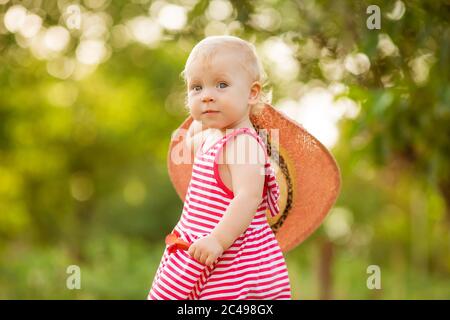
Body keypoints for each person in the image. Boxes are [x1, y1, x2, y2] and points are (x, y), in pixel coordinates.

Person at [148, 35, 292, 300]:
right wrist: (200, 119)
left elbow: (247, 198)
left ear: (252, 93)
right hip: (199, 252)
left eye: (221, 85)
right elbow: (190, 142)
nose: (207, 97)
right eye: (196, 88)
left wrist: (218, 240)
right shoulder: (215, 137)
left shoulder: (244, 144)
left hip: (230, 263)